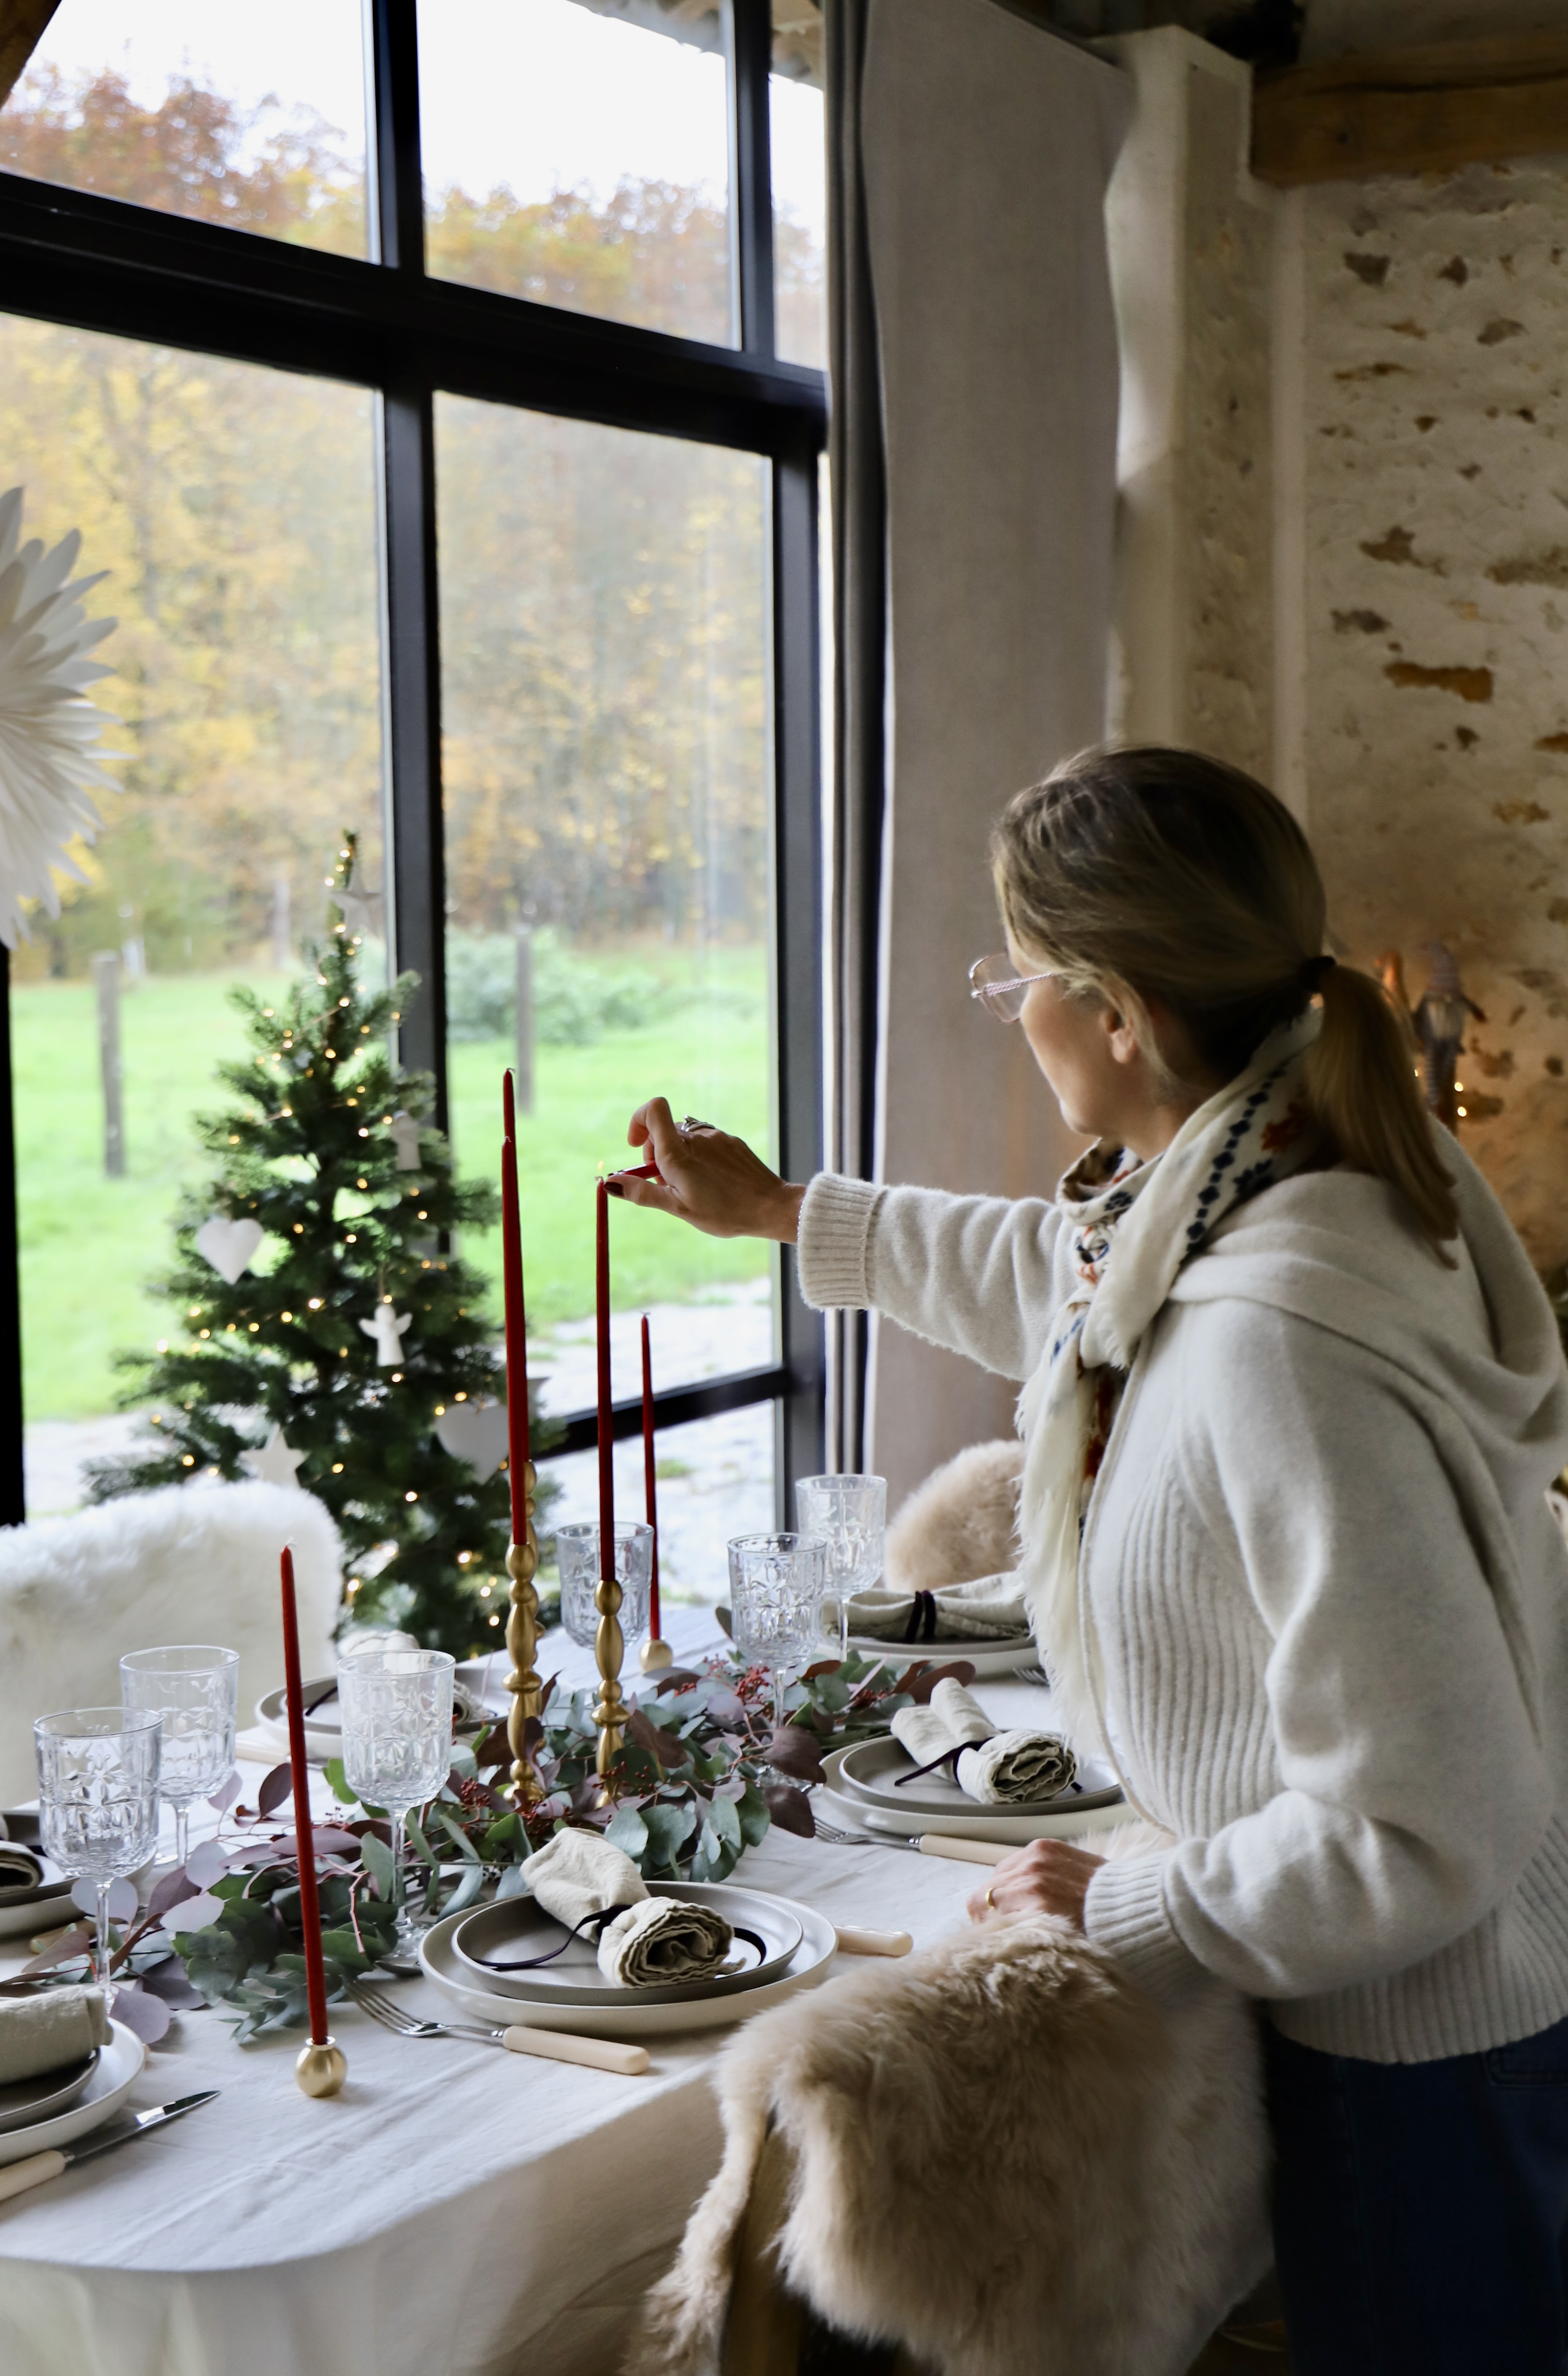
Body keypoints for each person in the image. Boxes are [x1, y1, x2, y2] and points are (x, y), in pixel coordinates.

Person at [609, 746, 1568, 2376]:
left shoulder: (1284, 1345)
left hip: (1424, 2050)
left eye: (1017, 981)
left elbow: (1424, 1823)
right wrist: (784, 1215)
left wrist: (1141, 1902)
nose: (1011, 1010)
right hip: (1423, 2004)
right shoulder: (1277, 1178)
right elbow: (1069, 1285)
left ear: (1115, 1012)